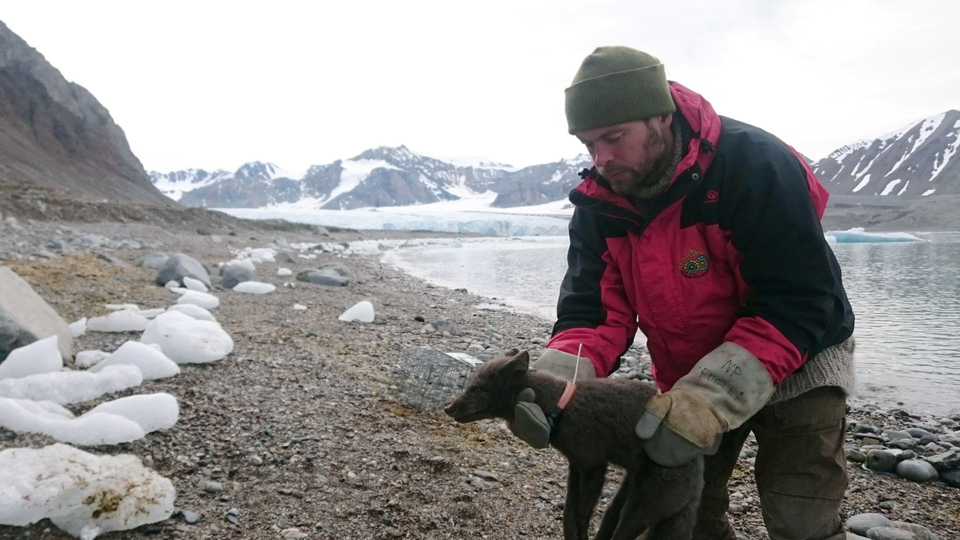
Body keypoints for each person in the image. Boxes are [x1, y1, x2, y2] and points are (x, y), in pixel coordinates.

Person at [511, 46, 856, 540]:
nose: (601, 159)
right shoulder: (600, 201)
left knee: (802, 517)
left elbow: (797, 302)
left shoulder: (755, 167)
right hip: (690, 369)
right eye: (589, 144)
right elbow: (592, 310)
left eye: (614, 137)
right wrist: (553, 386)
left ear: (661, 117)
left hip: (804, 357)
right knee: (684, 512)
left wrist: (710, 399)